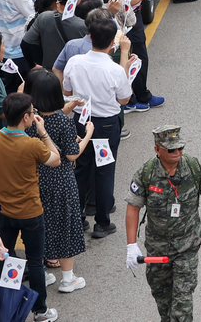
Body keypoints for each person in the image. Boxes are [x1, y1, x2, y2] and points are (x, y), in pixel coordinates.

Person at [125, 126, 201, 322]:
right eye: (171, 150)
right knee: (164, 303)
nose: (177, 153)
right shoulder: (146, 173)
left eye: (180, 148)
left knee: (181, 307)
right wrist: (131, 245)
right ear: (157, 150)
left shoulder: (194, 168)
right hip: (157, 249)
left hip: (187, 245)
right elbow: (133, 207)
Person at [0, 93, 61, 316]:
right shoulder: (33, 144)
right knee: (36, 262)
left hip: (3, 212)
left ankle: (0, 307)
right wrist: (43, 132)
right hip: (31, 213)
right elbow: (55, 160)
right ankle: (40, 311)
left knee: (3, 258)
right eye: (32, 112)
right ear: (26, 117)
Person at [60, 12, 131, 239]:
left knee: (80, 169)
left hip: (81, 122)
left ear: (89, 37)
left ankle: (78, 219)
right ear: (112, 43)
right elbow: (124, 100)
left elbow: (67, 92)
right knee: (104, 171)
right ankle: (102, 222)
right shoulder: (115, 70)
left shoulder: (74, 62)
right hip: (107, 126)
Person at [24, 70, 90, 293]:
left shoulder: (29, 121)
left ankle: (41, 273)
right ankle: (68, 279)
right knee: (65, 225)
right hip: (61, 180)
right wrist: (88, 134)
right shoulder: (63, 121)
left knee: (42, 225)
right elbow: (71, 155)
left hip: (36, 179)